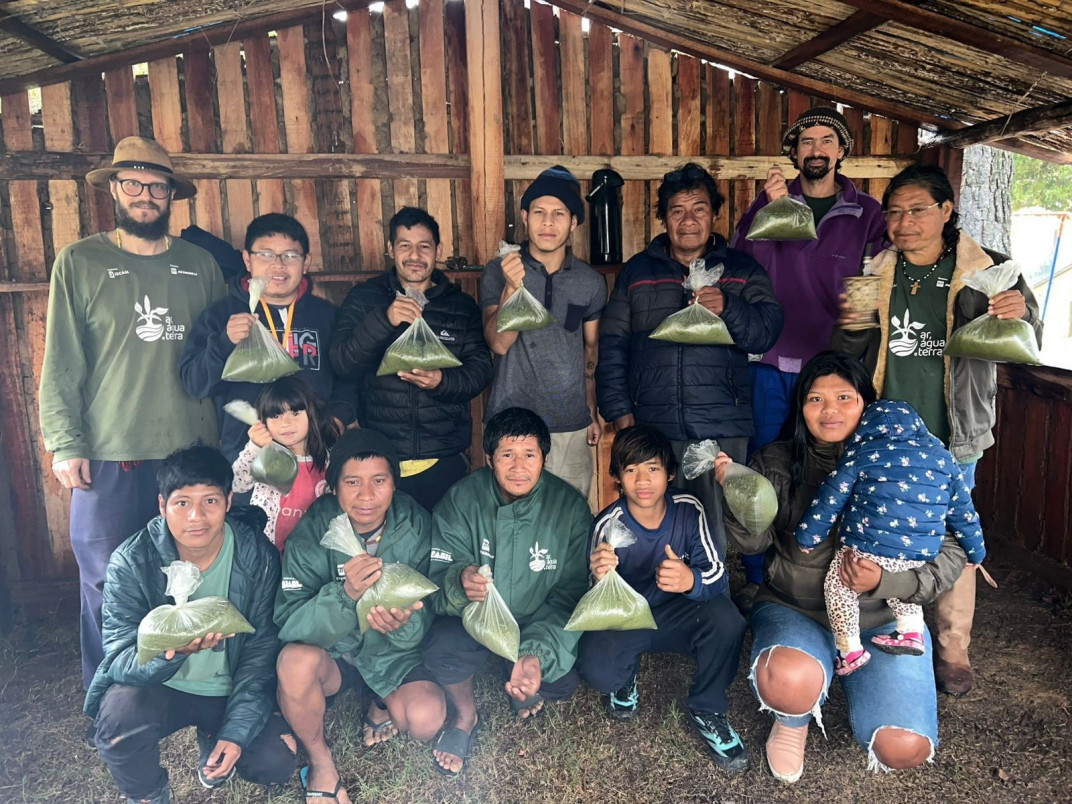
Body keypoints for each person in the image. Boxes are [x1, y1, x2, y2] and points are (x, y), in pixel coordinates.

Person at [832, 164, 1043, 696]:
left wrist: (1019, 313)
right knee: (878, 529)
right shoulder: (875, 269)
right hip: (883, 435)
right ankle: (881, 629)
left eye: (917, 210)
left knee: (952, 537)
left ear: (947, 210)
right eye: (894, 212)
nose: (904, 223)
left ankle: (952, 646)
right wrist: (850, 322)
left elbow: (1030, 335)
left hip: (954, 433)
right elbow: (849, 352)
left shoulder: (987, 269)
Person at [720, 351, 968, 782]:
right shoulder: (776, 462)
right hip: (795, 609)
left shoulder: (913, 460)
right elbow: (751, 544)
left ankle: (859, 673)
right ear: (800, 408)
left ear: (867, 405)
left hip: (883, 619)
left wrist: (889, 581)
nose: (829, 410)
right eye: (815, 399)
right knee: (789, 680)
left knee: (903, 746)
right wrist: (739, 496)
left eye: (844, 398)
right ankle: (793, 719)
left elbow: (951, 550)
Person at [39, 136, 225, 692]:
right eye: (133, 184)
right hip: (111, 451)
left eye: (157, 186)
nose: (146, 195)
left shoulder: (200, 265)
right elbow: (62, 359)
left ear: (171, 195)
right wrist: (65, 441)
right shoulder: (81, 261)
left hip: (190, 451)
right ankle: (112, 694)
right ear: (114, 191)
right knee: (105, 579)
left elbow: (220, 358)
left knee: (186, 575)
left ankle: (182, 687)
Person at [731, 107, 886, 598]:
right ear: (794, 152)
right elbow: (741, 266)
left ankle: (833, 573)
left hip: (832, 371)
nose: (816, 150)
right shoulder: (769, 203)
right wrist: (770, 209)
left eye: (827, 140)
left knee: (831, 467)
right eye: (806, 142)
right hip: (771, 361)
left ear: (842, 151)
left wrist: (854, 360)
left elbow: (877, 283)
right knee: (764, 465)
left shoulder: (868, 214)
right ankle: (759, 577)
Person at [84, 446, 295, 804]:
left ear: (229, 501)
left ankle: (214, 735)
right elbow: (118, 658)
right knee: (120, 720)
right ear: (162, 505)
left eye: (210, 501)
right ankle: (149, 794)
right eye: (182, 503)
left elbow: (260, 651)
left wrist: (236, 733)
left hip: (226, 688)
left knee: (276, 760)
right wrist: (169, 651)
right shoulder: (132, 560)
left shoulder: (255, 555)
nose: (196, 517)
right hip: (160, 686)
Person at [597, 162, 783, 558]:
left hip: (721, 426)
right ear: (664, 218)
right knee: (656, 522)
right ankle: (659, 589)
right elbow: (612, 345)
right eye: (677, 211)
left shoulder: (741, 270)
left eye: (699, 209)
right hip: (654, 423)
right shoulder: (638, 272)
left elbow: (766, 332)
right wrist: (620, 414)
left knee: (712, 527)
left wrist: (728, 306)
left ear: (714, 215)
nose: (688, 221)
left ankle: (710, 589)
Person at [274, 428, 446, 804]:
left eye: (379, 481)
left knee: (426, 719)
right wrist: (345, 595)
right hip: (335, 654)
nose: (366, 496)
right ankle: (320, 762)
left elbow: (432, 601)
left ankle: (380, 701)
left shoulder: (415, 523)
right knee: (293, 663)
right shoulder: (315, 530)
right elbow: (289, 621)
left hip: (392, 654)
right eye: (352, 482)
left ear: (394, 484)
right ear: (334, 487)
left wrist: (403, 624)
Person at [423, 407, 592, 775]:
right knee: (441, 649)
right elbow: (436, 575)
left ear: (544, 458)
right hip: (474, 618)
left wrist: (535, 653)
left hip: (536, 618)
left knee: (560, 683)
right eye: (507, 455)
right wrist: (459, 581)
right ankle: (465, 715)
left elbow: (570, 593)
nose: (519, 467)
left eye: (529, 454)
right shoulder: (462, 500)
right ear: (489, 460)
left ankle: (517, 665)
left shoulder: (569, 507)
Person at [578, 426, 749, 772]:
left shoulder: (688, 509)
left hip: (678, 613)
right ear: (616, 477)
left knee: (727, 621)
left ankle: (707, 707)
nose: (643, 480)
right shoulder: (608, 524)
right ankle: (625, 676)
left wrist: (691, 580)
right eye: (631, 470)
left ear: (670, 473)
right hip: (628, 618)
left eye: (653, 468)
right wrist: (599, 578)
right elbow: (592, 601)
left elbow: (716, 574)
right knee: (598, 671)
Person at [796, 400, 985, 676]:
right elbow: (964, 513)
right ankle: (910, 632)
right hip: (918, 553)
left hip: (867, 546)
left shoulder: (862, 453)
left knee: (839, 587)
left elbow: (829, 500)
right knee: (902, 584)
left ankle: (849, 650)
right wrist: (976, 553)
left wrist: (808, 537)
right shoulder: (943, 458)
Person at [330, 207, 492, 511]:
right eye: (404, 245)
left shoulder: (460, 306)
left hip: (444, 457)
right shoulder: (365, 299)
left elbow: (480, 371)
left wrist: (442, 381)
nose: (414, 255)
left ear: (438, 251)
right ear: (390, 249)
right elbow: (342, 362)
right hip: (380, 459)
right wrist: (385, 319)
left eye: (424, 246)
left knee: (444, 538)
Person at [180, 213, 357, 462]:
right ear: (247, 260)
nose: (278, 265)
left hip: (316, 456)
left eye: (290, 255)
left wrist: (337, 418)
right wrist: (224, 342)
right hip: (247, 459)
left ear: (306, 262)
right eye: (266, 254)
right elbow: (194, 383)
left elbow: (349, 377)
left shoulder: (327, 316)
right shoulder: (221, 315)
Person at [480, 166, 607, 498]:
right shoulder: (500, 270)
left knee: (569, 516)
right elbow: (499, 343)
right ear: (525, 217)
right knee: (511, 518)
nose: (548, 222)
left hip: (570, 427)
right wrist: (512, 288)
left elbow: (590, 350)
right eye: (539, 212)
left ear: (574, 222)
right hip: (511, 428)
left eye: (558, 213)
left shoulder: (590, 282)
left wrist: (591, 410)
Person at [232, 376, 342, 552]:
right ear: (263, 422)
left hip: (311, 552)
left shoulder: (328, 457)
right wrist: (254, 448)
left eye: (295, 413)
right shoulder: (265, 455)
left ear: (312, 414)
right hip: (269, 550)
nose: (286, 423)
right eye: (276, 416)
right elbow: (236, 484)